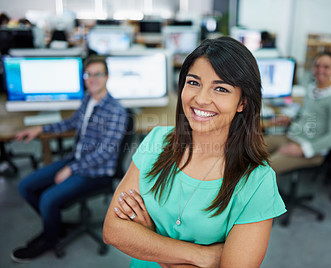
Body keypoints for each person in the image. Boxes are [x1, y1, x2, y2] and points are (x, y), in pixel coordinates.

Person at [103, 36, 286, 267]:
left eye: (220, 88)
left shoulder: (257, 181)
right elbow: (113, 230)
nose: (200, 99)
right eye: (193, 82)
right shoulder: (157, 141)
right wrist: (203, 256)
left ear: (242, 103)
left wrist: (150, 239)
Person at [10, 55, 127, 263]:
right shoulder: (88, 99)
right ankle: (55, 225)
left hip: (97, 172)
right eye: (88, 74)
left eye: (98, 74)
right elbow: (70, 122)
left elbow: (105, 153)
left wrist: (71, 169)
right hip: (77, 159)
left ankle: (50, 239)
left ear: (107, 77)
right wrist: (40, 129)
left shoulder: (116, 111)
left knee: (47, 198)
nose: (92, 79)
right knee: (26, 186)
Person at [266, 51, 331, 174]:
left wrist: (303, 149)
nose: (320, 70)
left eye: (326, 67)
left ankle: (269, 191)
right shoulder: (312, 88)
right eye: (317, 66)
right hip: (292, 136)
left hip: (312, 150)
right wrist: (291, 118)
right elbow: (305, 113)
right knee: (250, 148)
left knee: (265, 169)